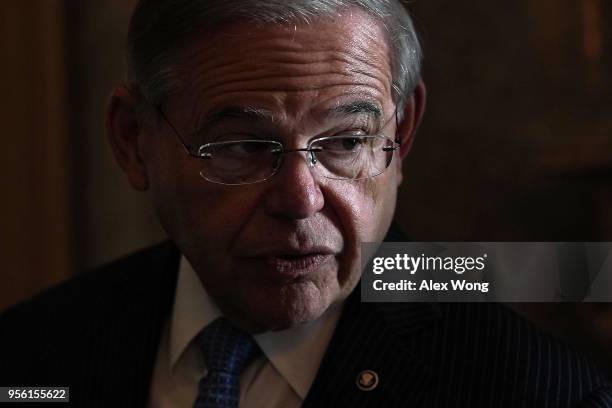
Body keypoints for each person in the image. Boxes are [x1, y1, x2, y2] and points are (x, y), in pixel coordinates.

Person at [1, 1, 611, 407]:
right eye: (241, 146)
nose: (300, 199)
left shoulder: (534, 390)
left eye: (346, 142)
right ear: (133, 141)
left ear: (402, 134)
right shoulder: (30, 361)